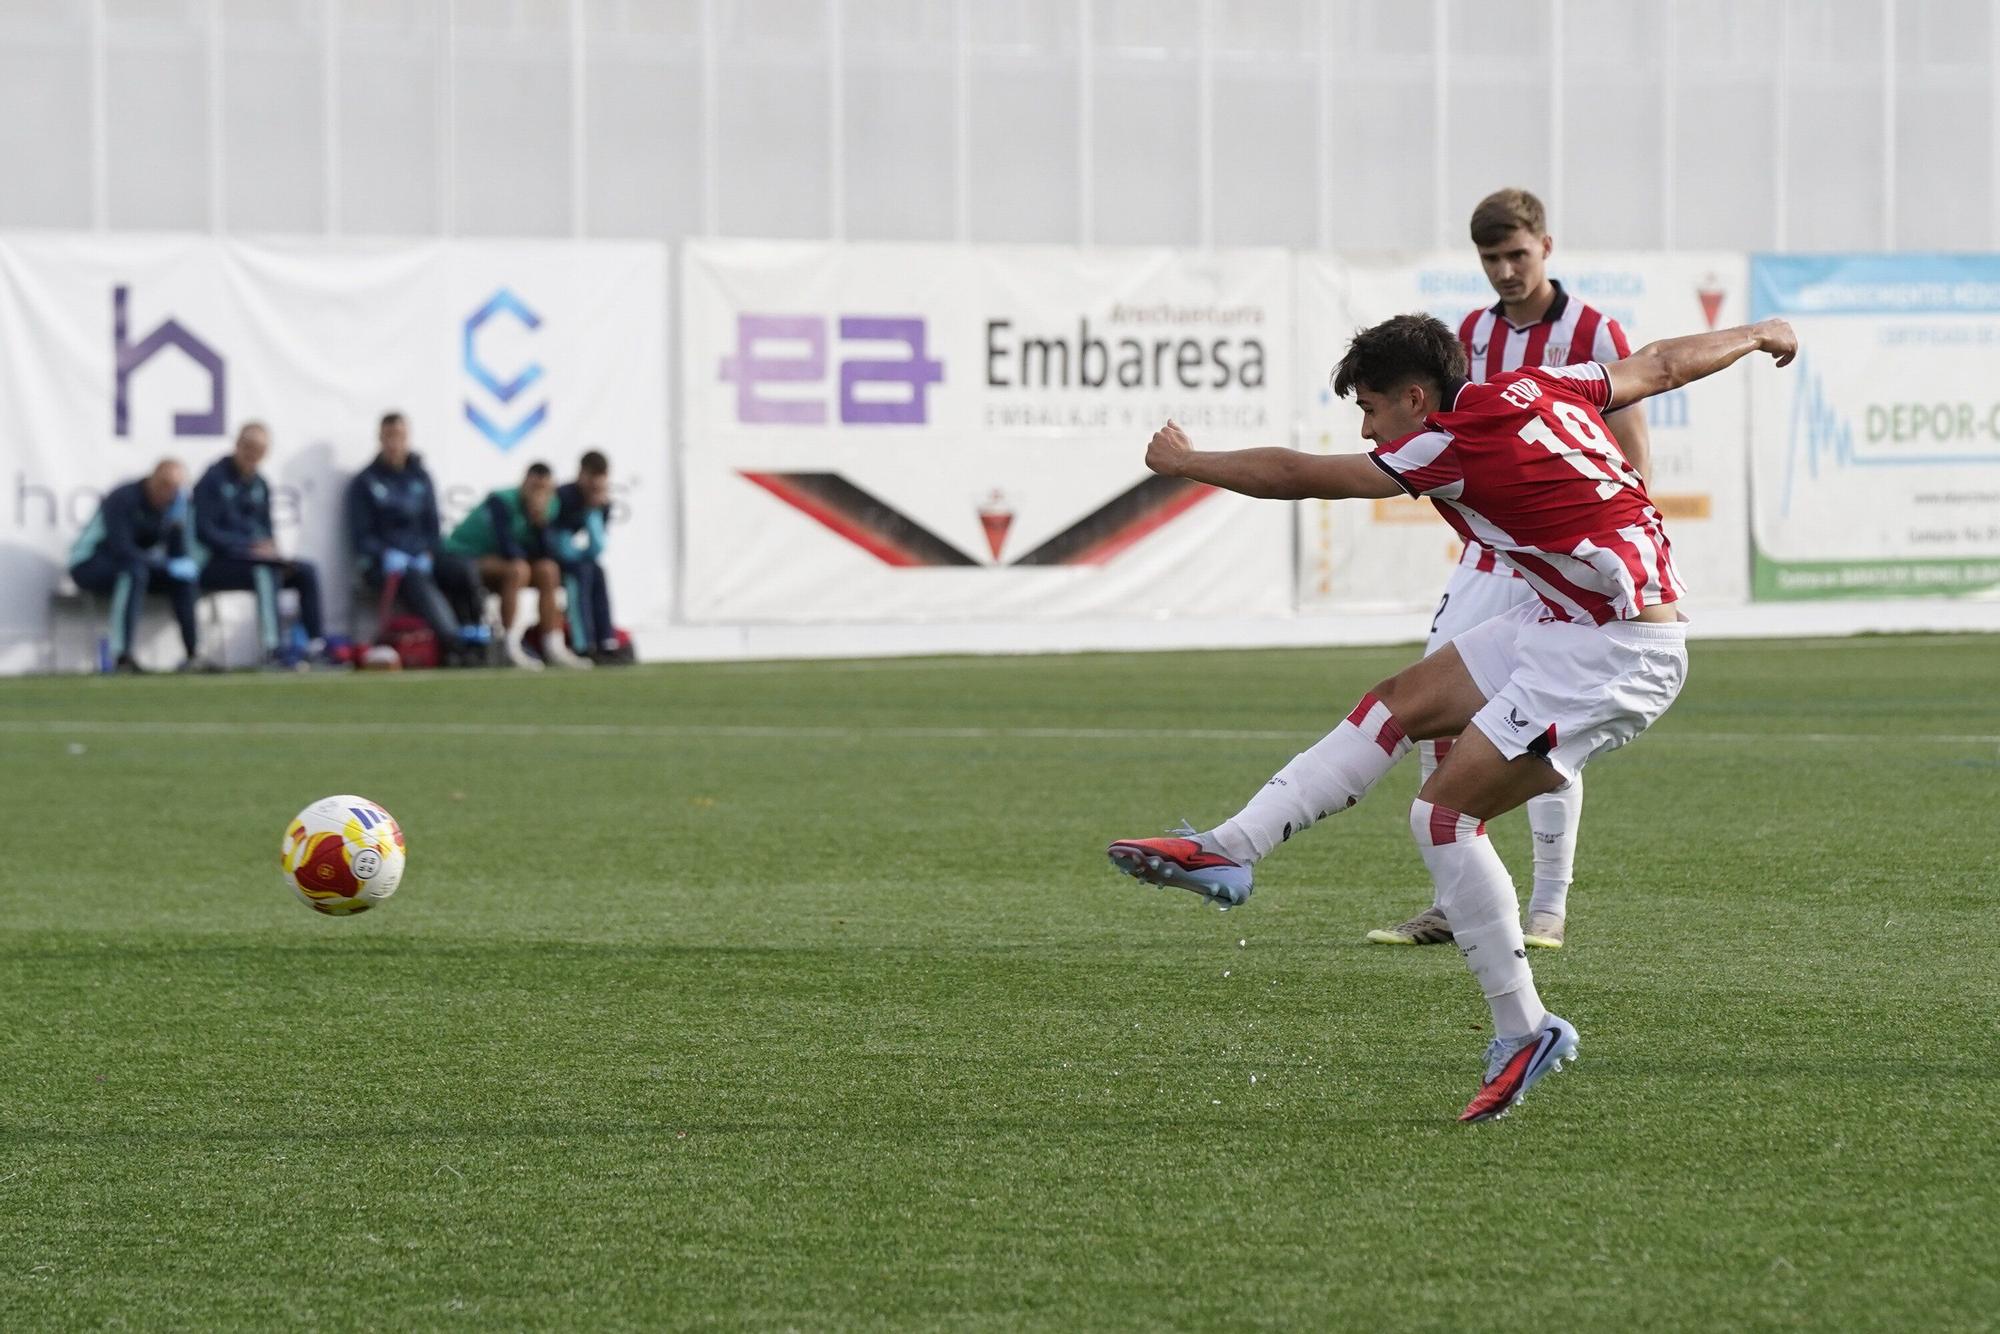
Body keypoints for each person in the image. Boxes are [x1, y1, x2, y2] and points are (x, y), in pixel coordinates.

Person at [1106, 311, 1796, 1121]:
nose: (1367, 429)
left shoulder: (1448, 442)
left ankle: (1524, 1027)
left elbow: (1301, 473)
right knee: (1396, 704)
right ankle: (1228, 849)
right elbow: (1663, 364)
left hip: (1615, 652)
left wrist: (1188, 462)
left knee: (1442, 818)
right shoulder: (1540, 385)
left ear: (1414, 395)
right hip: (1567, 621)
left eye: (1371, 409)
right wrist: (1757, 334)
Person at [1370, 187, 1655, 952]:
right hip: (1490, 556)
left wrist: (1611, 540)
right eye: (1490, 258)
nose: (1504, 270)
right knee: (1435, 702)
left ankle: (1549, 905)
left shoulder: (1593, 330)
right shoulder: (1468, 333)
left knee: (1548, 716)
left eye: (1516, 254)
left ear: (1546, 247)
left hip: (1568, 557)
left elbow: (1630, 442)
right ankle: (1454, 899)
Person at [347, 412, 488, 664]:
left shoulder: (420, 477)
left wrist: (426, 551)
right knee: (416, 579)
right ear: (380, 438)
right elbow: (361, 536)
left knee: (462, 569)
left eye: (399, 437)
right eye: (389, 437)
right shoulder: (365, 482)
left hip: (420, 555)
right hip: (386, 564)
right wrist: (385, 554)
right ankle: (452, 642)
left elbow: (433, 528)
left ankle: (476, 633)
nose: (394, 443)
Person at [192, 422, 330, 667]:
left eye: (259, 450)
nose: (252, 456)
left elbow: (265, 532)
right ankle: (272, 649)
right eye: (248, 448)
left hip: (255, 559)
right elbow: (205, 533)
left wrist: (273, 552)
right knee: (265, 574)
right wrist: (247, 547)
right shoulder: (212, 480)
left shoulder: (260, 484)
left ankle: (315, 645)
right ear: (237, 445)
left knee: (304, 571)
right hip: (217, 562)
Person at [67, 458, 213, 673]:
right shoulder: (123, 498)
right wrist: (166, 565)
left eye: (175, 489)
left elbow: (177, 553)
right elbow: (121, 548)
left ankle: (194, 654)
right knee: (133, 573)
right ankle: (122, 656)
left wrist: (178, 527)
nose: (170, 494)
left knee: (183, 580)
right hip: (91, 563)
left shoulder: (175, 505)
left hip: (140, 566)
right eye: (166, 487)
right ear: (154, 482)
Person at [443, 462, 591, 670]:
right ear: (524, 484)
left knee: (549, 570)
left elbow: (549, 553)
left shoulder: (551, 505)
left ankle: (553, 644)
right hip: (466, 556)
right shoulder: (501, 501)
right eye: (534, 488)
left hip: (504, 559)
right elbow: (506, 547)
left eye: (544, 490)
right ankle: (509, 644)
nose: (539, 495)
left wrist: (540, 524)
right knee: (518, 570)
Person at [546, 450, 628, 664]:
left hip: (575, 557)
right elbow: (554, 540)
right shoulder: (563, 496)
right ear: (581, 474)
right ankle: (583, 645)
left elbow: (597, 546)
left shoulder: (602, 503)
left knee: (597, 571)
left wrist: (594, 511)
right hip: (549, 555)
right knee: (580, 573)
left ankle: (607, 641)